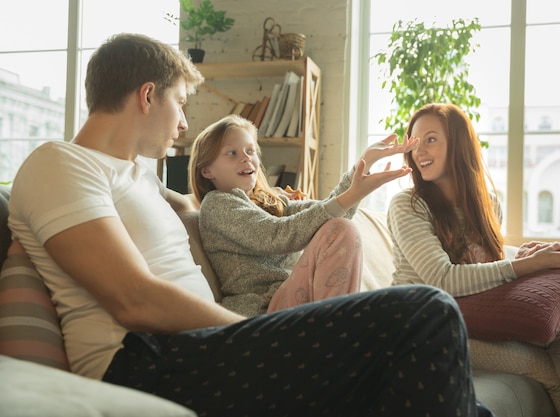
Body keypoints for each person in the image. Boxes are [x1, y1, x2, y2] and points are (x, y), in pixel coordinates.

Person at [7, 34, 493, 417]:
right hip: (149, 360)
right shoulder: (62, 164)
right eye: (180, 104)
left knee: (449, 389)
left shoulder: (141, 179)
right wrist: (259, 331)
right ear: (147, 95)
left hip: (205, 348)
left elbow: (261, 214)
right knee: (428, 309)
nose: (182, 126)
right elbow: (133, 299)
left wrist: (350, 182)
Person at [387, 102, 560, 417]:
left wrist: (539, 257)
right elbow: (441, 278)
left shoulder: (487, 205)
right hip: (426, 326)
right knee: (548, 369)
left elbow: (488, 268)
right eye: (415, 141)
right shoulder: (407, 205)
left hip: (472, 315)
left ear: (458, 144)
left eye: (430, 139)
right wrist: (528, 265)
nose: (419, 150)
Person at [188, 114, 417, 316]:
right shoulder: (217, 205)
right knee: (341, 230)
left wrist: (364, 164)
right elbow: (277, 235)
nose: (246, 158)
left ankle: (339, 323)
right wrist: (353, 194)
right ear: (207, 170)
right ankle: (337, 327)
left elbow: (326, 212)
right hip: (265, 307)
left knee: (339, 228)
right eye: (232, 153)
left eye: (250, 151)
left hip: (293, 297)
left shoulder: (270, 201)